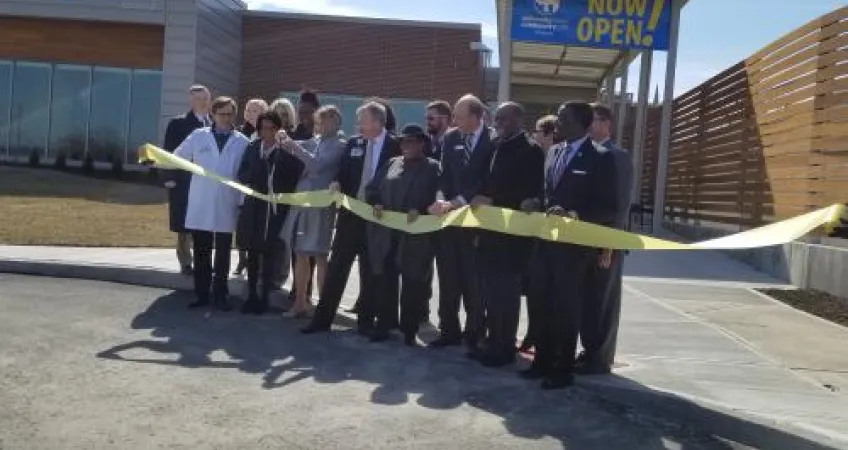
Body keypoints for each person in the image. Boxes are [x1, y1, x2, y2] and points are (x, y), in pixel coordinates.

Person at [522, 101, 620, 390]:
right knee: (540, 303)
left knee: (565, 309)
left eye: (563, 119)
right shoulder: (553, 152)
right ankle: (540, 362)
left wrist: (574, 216)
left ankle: (562, 370)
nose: (557, 124)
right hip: (545, 244)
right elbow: (547, 193)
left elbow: (609, 207)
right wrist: (535, 203)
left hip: (574, 249)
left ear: (583, 123)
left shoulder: (601, 158)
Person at [302, 101, 401, 335]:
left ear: (378, 122)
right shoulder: (355, 143)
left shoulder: (395, 146)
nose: (358, 126)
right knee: (337, 268)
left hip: (378, 218)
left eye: (362, 121)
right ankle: (321, 320)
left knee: (371, 270)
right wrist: (336, 182)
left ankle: (366, 322)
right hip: (350, 216)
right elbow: (343, 171)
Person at [471, 102, 544, 368]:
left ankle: (504, 347)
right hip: (489, 232)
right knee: (489, 292)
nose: (497, 122)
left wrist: (492, 200)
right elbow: (485, 180)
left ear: (519, 120)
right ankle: (492, 341)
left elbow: (528, 193)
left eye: (503, 118)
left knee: (506, 294)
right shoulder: (495, 145)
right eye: (496, 118)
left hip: (512, 237)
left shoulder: (531, 150)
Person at [427, 94, 495, 352]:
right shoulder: (452, 138)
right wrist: (441, 199)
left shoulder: (493, 140)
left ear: (477, 117)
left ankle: (475, 332)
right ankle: (449, 330)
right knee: (448, 278)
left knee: (473, 281)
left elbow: (485, 181)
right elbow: (444, 175)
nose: (453, 120)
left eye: (459, 115)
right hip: (449, 221)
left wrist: (457, 201)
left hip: (476, 223)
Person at [365, 124, 441, 346]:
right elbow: (373, 188)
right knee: (386, 280)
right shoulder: (391, 163)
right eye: (404, 142)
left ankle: (409, 329)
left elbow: (439, 195)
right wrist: (376, 202)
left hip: (416, 236)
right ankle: (385, 325)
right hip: (388, 234)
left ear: (422, 143)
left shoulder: (433, 167)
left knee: (413, 283)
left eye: (412, 142)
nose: (407, 146)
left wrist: (423, 208)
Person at [174, 96, 250, 311]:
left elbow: (244, 175)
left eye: (229, 114)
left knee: (223, 254)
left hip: (227, 201)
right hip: (202, 201)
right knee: (201, 252)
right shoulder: (198, 136)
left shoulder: (242, 142)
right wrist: (156, 159)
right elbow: (178, 156)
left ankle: (220, 295)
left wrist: (242, 201)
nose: (225, 118)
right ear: (213, 114)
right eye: (221, 113)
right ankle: (201, 294)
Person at [577, 103, 634, 374]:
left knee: (603, 302)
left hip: (606, 243)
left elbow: (620, 205)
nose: (588, 125)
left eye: (593, 120)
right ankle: (589, 351)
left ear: (606, 124)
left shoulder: (616, 156)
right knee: (589, 301)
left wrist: (608, 246)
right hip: (586, 240)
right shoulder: (588, 154)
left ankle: (599, 358)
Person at [278, 105, 346, 318]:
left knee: (320, 255)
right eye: (319, 121)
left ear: (336, 121)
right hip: (301, 202)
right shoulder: (315, 140)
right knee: (300, 253)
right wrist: (283, 138)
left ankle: (324, 308)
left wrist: (293, 147)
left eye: (326, 120)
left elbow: (316, 165)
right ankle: (300, 302)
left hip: (320, 207)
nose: (322, 125)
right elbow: (295, 146)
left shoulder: (340, 144)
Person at [235, 110, 304, 315]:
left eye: (272, 128)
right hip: (253, 206)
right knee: (252, 252)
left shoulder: (285, 152)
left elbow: (293, 178)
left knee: (269, 252)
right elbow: (242, 172)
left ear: (278, 129)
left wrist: (273, 180)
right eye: (264, 128)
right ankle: (252, 296)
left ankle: (265, 296)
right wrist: (255, 176)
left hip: (273, 209)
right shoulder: (253, 147)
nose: (268, 132)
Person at [519, 113, 560, 353]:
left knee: (546, 293)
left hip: (553, 237)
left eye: (537, 131)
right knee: (533, 290)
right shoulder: (538, 157)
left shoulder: (556, 158)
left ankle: (544, 339)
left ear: (548, 134)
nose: (534, 136)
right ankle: (533, 334)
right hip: (533, 234)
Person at [163, 84, 211, 275]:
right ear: (191, 101)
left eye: (204, 98)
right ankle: (186, 262)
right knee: (184, 225)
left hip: (207, 183)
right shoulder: (178, 123)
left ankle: (204, 261)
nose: (201, 102)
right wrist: (169, 176)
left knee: (205, 224)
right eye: (197, 98)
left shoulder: (213, 124)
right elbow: (169, 152)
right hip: (184, 182)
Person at [288, 90, 320, 304]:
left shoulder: (322, 137)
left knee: (311, 245)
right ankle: (297, 286)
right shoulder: (294, 134)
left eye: (308, 112)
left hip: (316, 199)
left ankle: (307, 289)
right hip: (295, 196)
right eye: (301, 112)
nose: (304, 116)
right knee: (295, 244)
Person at [234, 98, 270, 276]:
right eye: (247, 109)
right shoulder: (239, 133)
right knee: (241, 226)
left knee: (255, 228)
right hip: (241, 186)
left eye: (254, 110)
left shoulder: (266, 134)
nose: (249, 113)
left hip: (259, 190)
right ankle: (242, 260)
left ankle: (256, 264)